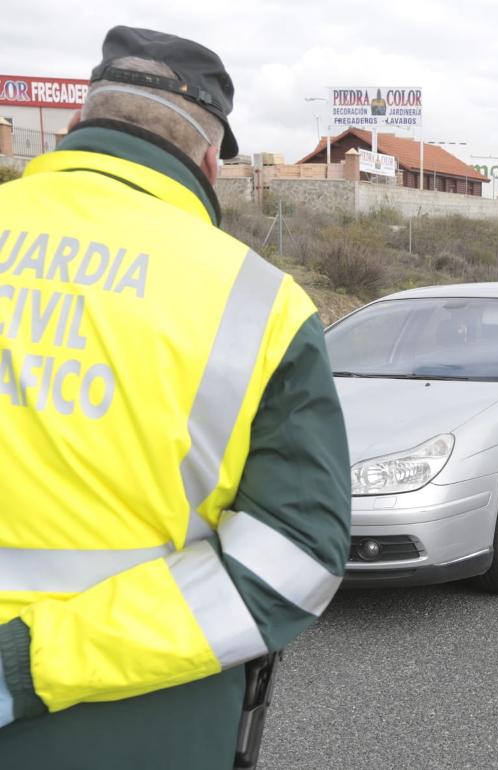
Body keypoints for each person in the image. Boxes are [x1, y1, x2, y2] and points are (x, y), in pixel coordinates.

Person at [0, 26, 350, 768]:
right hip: (141, 728)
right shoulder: (260, 307)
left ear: (72, 128)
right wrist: (24, 666)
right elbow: (293, 561)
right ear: (206, 162)